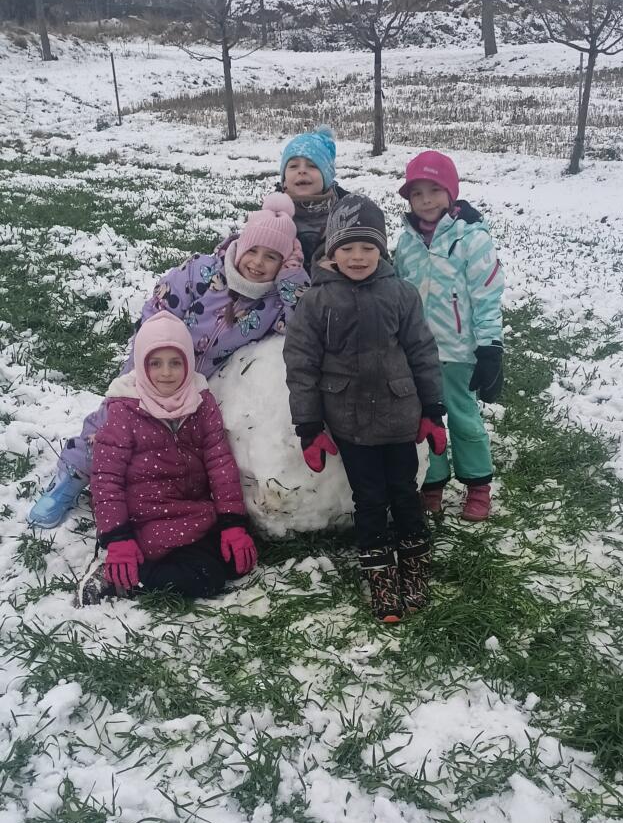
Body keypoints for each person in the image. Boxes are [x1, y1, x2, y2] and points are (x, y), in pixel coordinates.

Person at [30, 194, 307, 529]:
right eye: (253, 251)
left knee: (163, 439)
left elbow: (303, 324)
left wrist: (293, 279)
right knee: (116, 419)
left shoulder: (272, 303)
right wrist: (150, 356)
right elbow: (160, 305)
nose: (258, 263)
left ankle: (136, 486)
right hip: (154, 362)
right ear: (241, 245)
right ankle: (73, 475)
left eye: (272, 257)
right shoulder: (202, 270)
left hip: (199, 382)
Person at [283, 194, 446, 624]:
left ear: (382, 250)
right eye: (349, 248)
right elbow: (301, 364)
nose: (358, 257)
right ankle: (380, 575)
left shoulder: (401, 293)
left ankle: (414, 564)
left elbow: (422, 351)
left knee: (405, 493)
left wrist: (433, 409)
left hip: (399, 415)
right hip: (349, 421)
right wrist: (308, 426)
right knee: (370, 498)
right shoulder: (316, 301)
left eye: (368, 247)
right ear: (332, 250)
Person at [79, 312, 257, 605]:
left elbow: (220, 463)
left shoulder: (200, 401)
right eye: (155, 363)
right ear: (141, 364)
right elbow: (106, 478)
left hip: (194, 512)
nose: (166, 373)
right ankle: (124, 579)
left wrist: (232, 522)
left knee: (237, 561)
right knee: (205, 576)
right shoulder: (125, 410)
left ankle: (182, 563)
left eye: (175, 362)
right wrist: (117, 537)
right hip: (148, 519)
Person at [394, 151, 504, 522]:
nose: (425, 200)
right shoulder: (406, 242)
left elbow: (487, 295)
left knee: (463, 419)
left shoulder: (471, 238)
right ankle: (432, 483)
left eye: (434, 190)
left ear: (451, 192)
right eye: (417, 193)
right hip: (416, 354)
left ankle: (478, 486)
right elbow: (397, 293)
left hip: (458, 352)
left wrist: (490, 347)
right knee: (426, 420)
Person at [279, 125, 348, 271]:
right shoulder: (272, 214)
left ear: (327, 177)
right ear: (284, 179)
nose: (302, 171)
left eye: (312, 166)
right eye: (293, 166)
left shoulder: (348, 212)